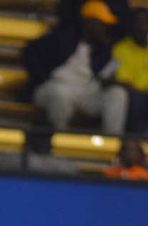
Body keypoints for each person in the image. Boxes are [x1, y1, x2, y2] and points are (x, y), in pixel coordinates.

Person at [24, 0, 128, 135]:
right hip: (55, 86)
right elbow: (30, 51)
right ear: (89, 22)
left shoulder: (104, 49)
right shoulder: (62, 38)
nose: (105, 28)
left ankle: (113, 140)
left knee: (118, 93)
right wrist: (41, 77)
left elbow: (104, 76)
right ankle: (58, 139)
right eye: (101, 24)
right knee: (60, 94)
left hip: (86, 92)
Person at [114, 8, 148, 131]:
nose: (141, 27)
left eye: (144, 23)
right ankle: (136, 140)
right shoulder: (121, 49)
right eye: (137, 23)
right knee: (136, 100)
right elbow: (124, 80)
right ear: (131, 26)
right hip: (140, 96)